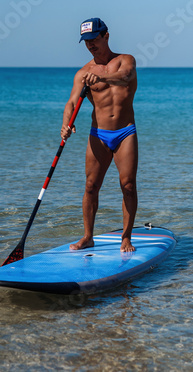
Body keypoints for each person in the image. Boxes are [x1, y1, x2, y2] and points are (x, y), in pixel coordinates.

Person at [61, 18, 138, 252]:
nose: (90, 45)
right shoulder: (83, 73)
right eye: (86, 41)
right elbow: (72, 101)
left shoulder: (126, 60)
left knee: (128, 185)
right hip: (98, 134)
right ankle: (87, 237)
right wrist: (66, 124)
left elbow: (125, 77)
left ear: (106, 36)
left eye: (94, 39)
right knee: (91, 186)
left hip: (125, 132)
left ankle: (126, 237)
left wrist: (102, 77)